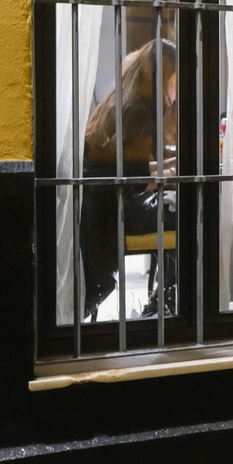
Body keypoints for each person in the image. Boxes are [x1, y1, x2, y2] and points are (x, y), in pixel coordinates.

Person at [80, 37, 179, 320]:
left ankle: (163, 294)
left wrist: (168, 166)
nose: (177, 88)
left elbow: (128, 168)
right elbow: (136, 181)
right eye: (175, 79)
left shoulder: (120, 101)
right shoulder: (138, 113)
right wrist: (175, 174)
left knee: (178, 204)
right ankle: (167, 297)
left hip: (100, 207)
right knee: (192, 214)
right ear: (161, 77)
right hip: (118, 211)